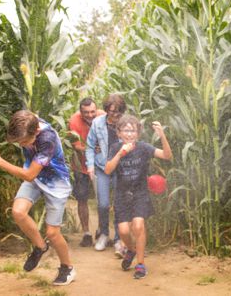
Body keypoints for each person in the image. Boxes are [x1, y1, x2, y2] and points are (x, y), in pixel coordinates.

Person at [0, 110, 76, 285]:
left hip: (55, 184)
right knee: (18, 212)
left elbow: (29, 175)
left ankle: (67, 268)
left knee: (53, 233)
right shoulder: (28, 121)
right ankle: (40, 247)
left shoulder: (47, 140)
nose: (22, 144)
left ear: (36, 132)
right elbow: (28, 114)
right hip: (35, 177)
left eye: (24, 142)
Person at [104, 115, 172, 279]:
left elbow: (166, 155)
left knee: (138, 226)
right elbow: (107, 170)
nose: (129, 134)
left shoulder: (143, 148)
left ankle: (140, 264)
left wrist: (162, 135)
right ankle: (131, 250)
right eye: (125, 131)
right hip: (122, 195)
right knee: (124, 231)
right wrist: (120, 153)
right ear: (119, 133)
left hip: (140, 193)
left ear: (138, 134)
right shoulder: (114, 148)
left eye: (132, 131)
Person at [86, 93, 126, 253]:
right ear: (106, 110)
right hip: (102, 167)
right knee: (102, 204)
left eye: (118, 112)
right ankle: (103, 234)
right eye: (111, 111)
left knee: (119, 204)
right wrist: (90, 166)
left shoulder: (126, 123)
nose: (115, 115)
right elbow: (90, 146)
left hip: (121, 169)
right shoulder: (97, 123)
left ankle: (118, 239)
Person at [68, 97, 105, 247]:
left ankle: (102, 231)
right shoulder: (74, 120)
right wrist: (90, 149)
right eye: (86, 112)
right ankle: (86, 233)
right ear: (80, 112)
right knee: (82, 199)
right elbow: (75, 146)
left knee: (102, 200)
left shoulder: (103, 116)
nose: (90, 115)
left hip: (100, 165)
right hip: (80, 166)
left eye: (92, 112)